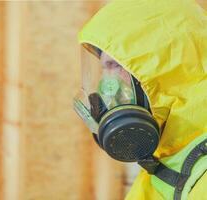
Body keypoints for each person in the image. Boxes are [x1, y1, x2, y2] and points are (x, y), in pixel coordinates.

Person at [73, 0, 207, 199]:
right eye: (104, 69)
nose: (106, 87)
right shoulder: (169, 162)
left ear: (164, 70)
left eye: (115, 66)